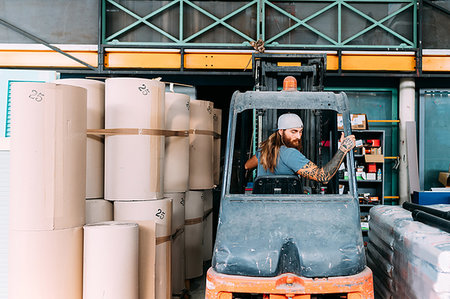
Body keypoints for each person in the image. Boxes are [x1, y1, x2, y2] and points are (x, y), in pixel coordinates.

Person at [245, 113, 355, 184]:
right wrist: (343, 149)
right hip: (289, 209)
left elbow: (246, 166)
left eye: (300, 132)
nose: (298, 136)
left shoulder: (263, 151)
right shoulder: (290, 154)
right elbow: (323, 177)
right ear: (281, 131)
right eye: (293, 131)